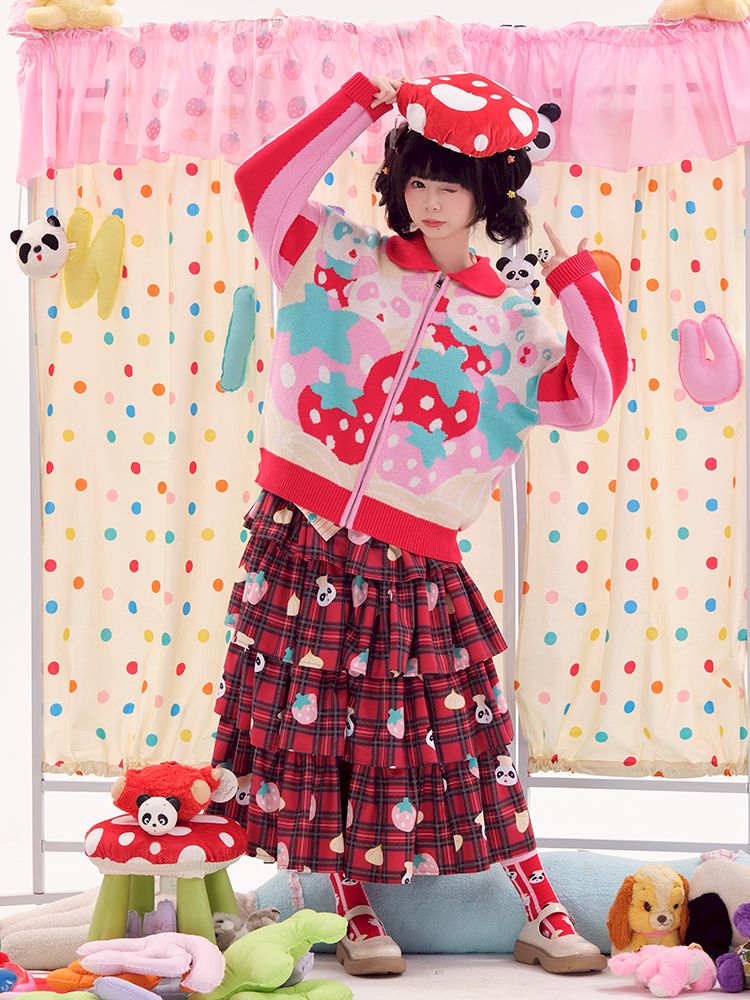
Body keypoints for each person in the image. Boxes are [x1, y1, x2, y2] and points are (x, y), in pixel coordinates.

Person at [210, 71, 628, 977]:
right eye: (419, 180)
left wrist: (573, 278)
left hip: (415, 554)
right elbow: (259, 183)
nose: (430, 201)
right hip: (302, 532)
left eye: (452, 186)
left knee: (468, 737)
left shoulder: (512, 323)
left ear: (488, 197)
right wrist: (361, 100)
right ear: (397, 182)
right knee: (317, 740)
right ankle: (352, 906)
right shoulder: (331, 253)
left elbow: (595, 395)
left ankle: (541, 906)